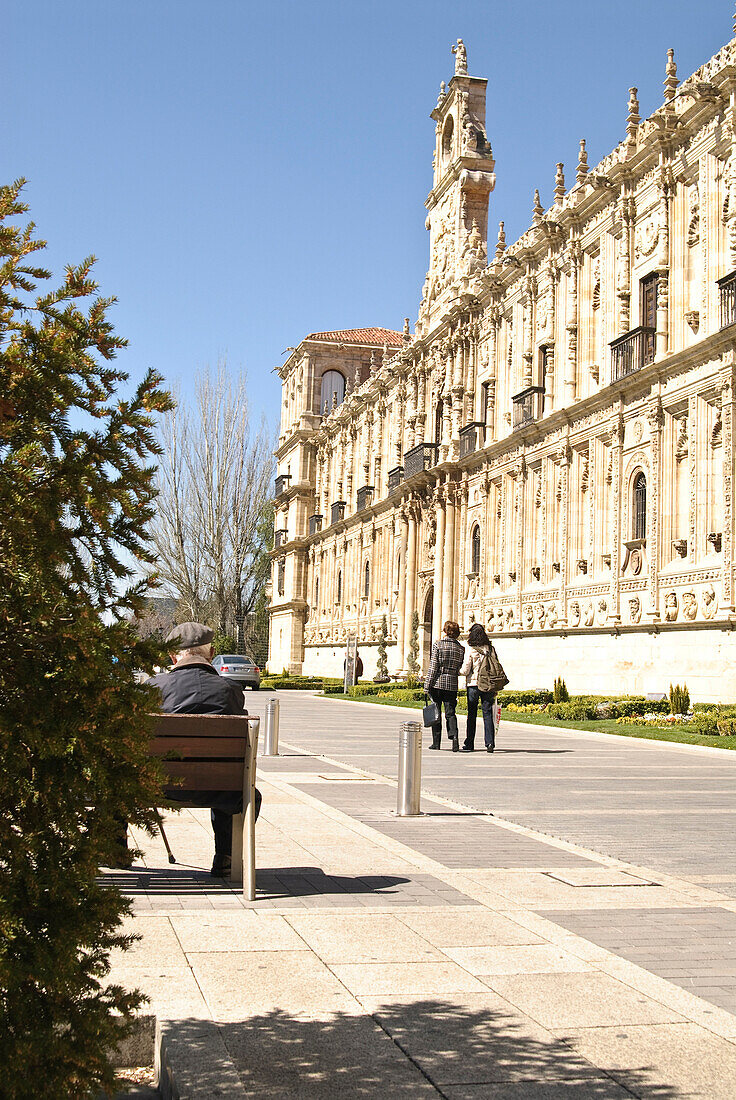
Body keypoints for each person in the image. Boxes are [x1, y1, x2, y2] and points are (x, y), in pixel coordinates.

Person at [147, 622, 262, 876]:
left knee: (118, 777)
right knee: (237, 784)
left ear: (173, 655)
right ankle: (226, 856)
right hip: (219, 788)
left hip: (156, 784)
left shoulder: (154, 687)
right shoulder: (231, 690)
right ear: (211, 654)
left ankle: (116, 852)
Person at [424, 620, 464, 752]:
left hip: (438, 682)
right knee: (450, 713)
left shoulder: (438, 645)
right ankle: (454, 738)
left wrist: (427, 684)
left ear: (445, 631)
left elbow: (433, 667)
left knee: (436, 712)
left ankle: (436, 742)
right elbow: (459, 666)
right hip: (452, 683)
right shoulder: (460, 648)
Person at [461, 622, 498, 753]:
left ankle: (469, 743)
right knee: (487, 714)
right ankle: (490, 743)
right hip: (487, 685)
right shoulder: (490, 648)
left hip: (473, 685)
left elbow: (466, 669)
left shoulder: (471, 648)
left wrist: (458, 672)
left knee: (472, 714)